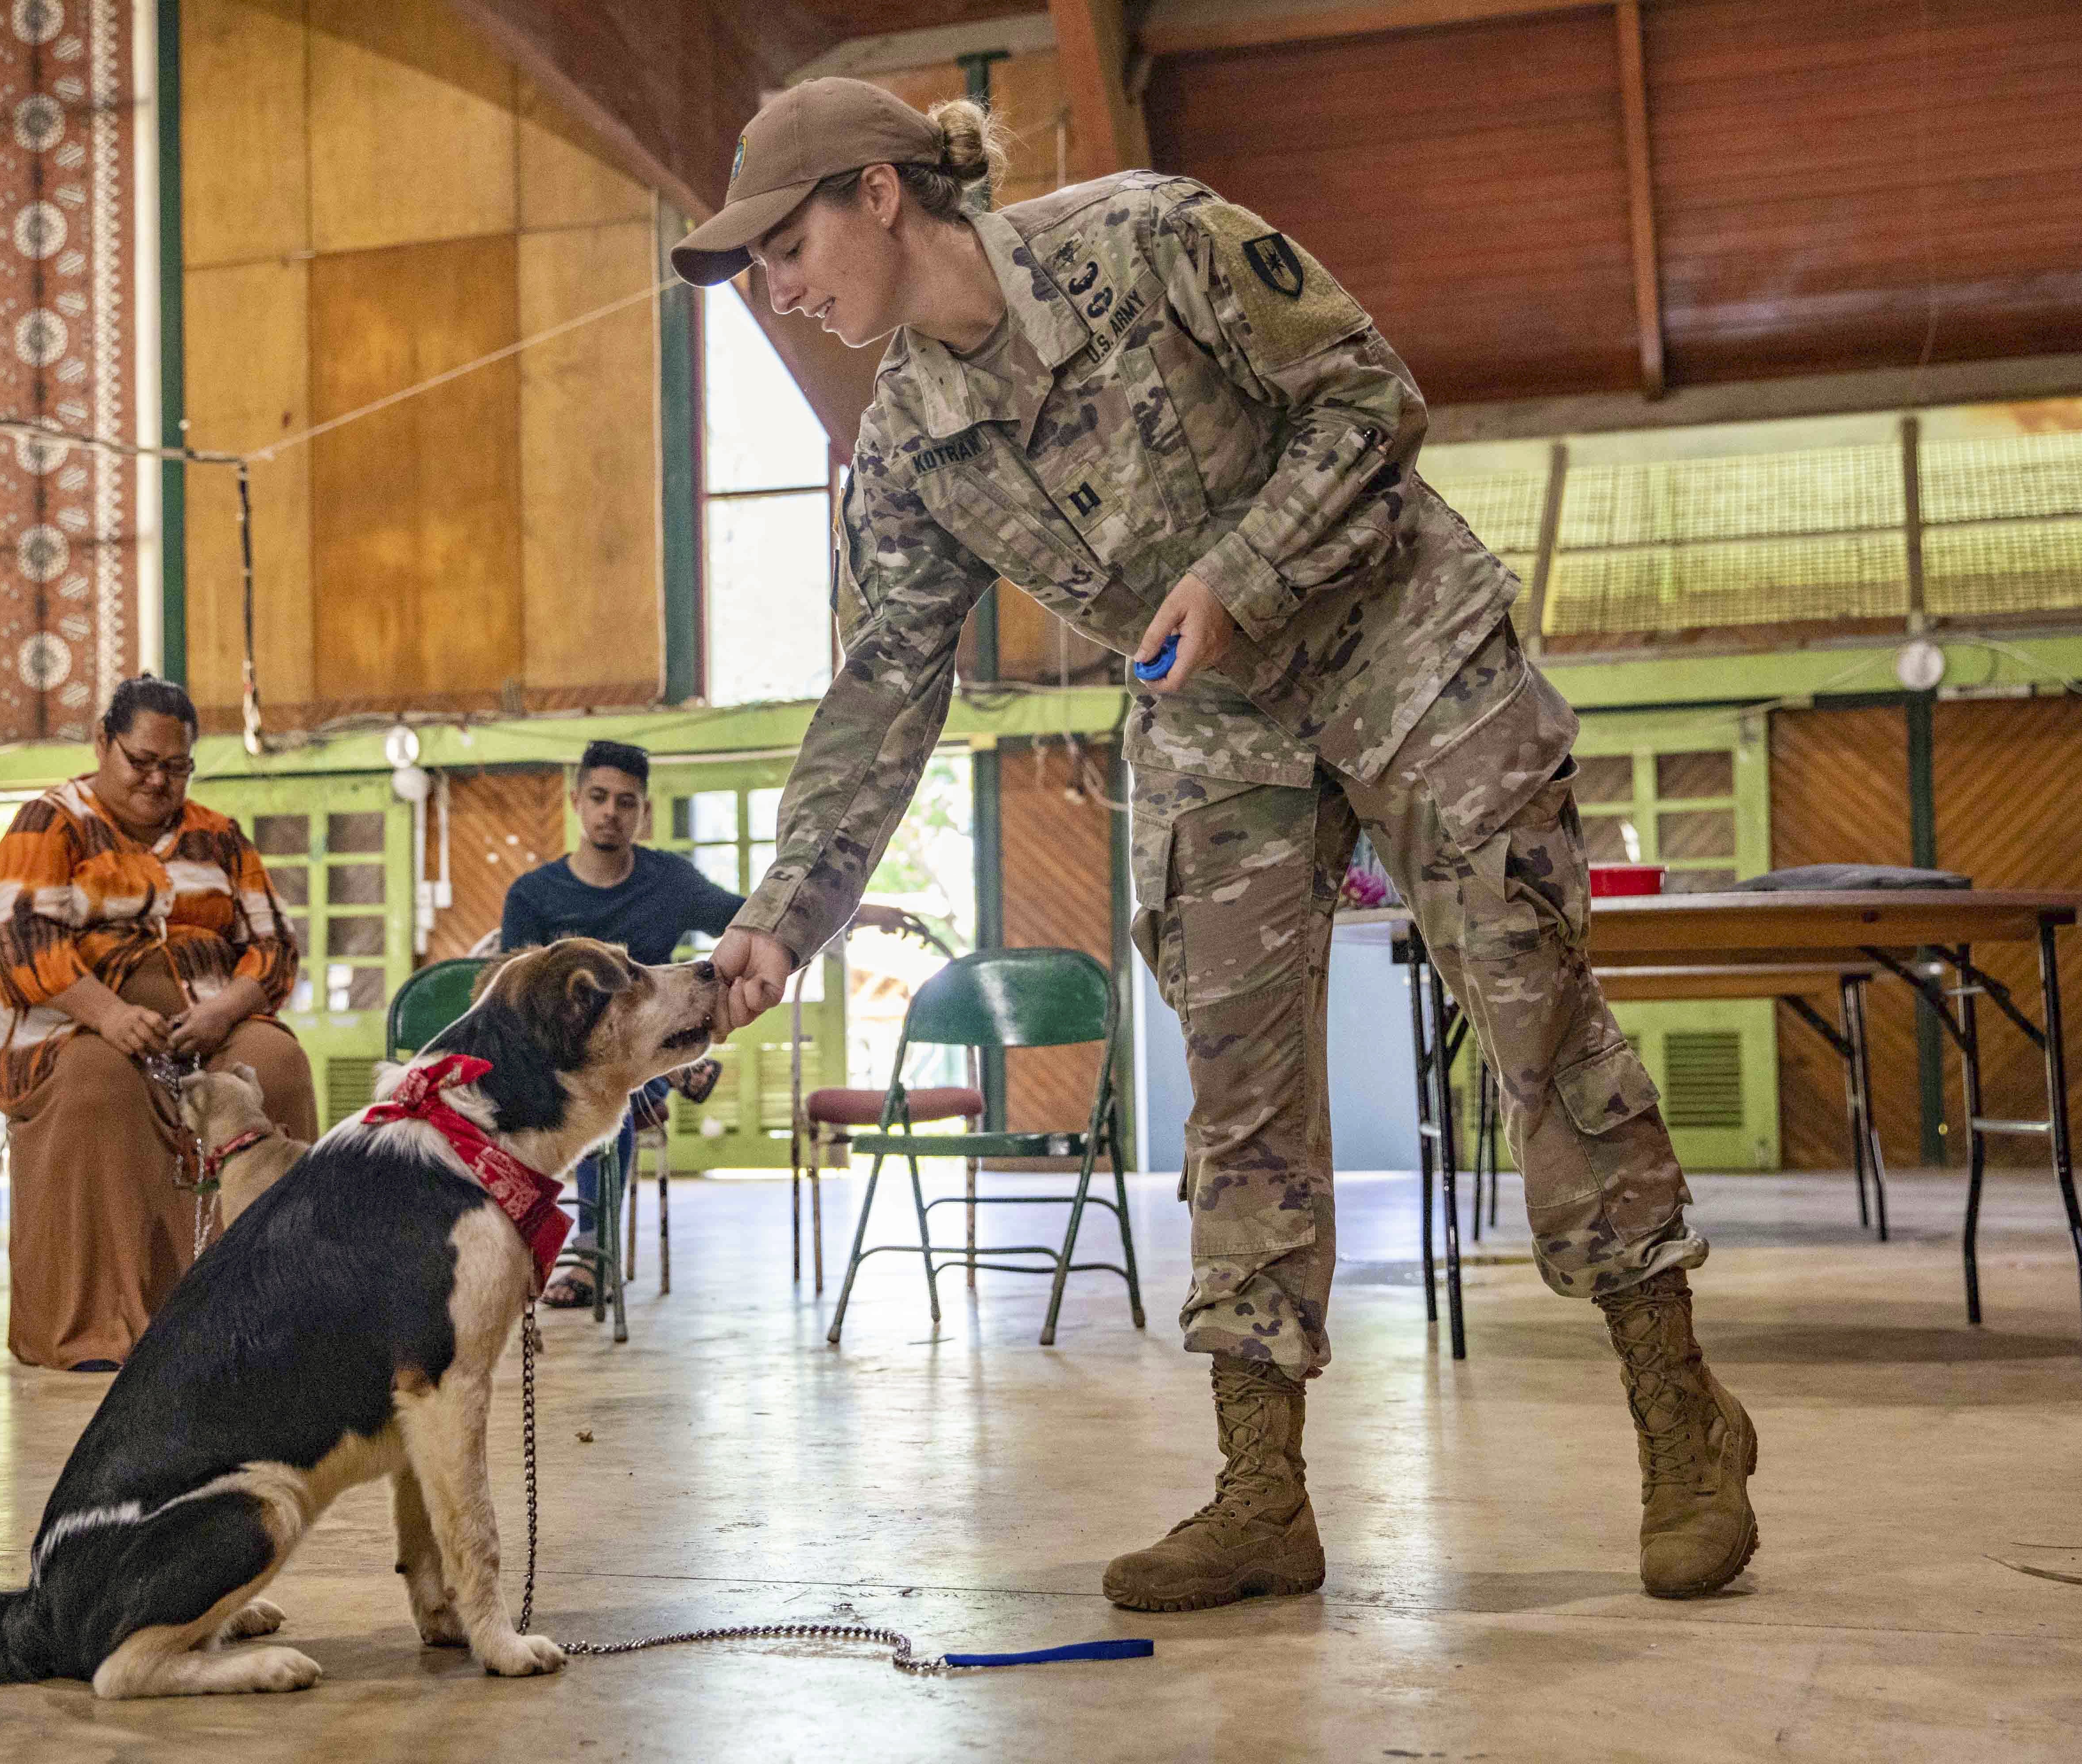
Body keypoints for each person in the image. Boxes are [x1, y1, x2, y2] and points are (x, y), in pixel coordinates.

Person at [678, 79, 1756, 1606]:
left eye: (782, 249)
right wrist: (782, 918)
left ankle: (1680, 1425)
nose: (777, 292)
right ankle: (1263, 1494)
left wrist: (1240, 574)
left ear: (876, 192)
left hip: (1400, 639)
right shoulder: (907, 445)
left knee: (1528, 1005)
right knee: (1238, 1086)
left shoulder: (1148, 240)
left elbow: (1370, 399)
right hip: (1211, 715)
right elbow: (882, 691)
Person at [0, 676, 319, 1372]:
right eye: (142, 761)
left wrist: (227, 1008)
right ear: (103, 742)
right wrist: (109, 1013)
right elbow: (23, 939)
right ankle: (99, 1329)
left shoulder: (219, 837)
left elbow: (275, 945)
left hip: (209, 1017)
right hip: (74, 1024)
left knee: (276, 1065)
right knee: (100, 1081)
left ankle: (271, 1310)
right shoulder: (50, 822)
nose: (159, 780)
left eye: (177, 766)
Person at [500, 740, 907, 1307]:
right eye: (598, 797)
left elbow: (756, 919)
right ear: (576, 801)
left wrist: (857, 913)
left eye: (626, 801)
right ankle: (673, 1080)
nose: (610, 812)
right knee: (597, 1082)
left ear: (645, 811)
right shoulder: (534, 895)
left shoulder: (668, 881)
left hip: (644, 1048)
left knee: (613, 1094)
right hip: (560, 1055)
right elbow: (510, 998)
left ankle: (595, 1254)